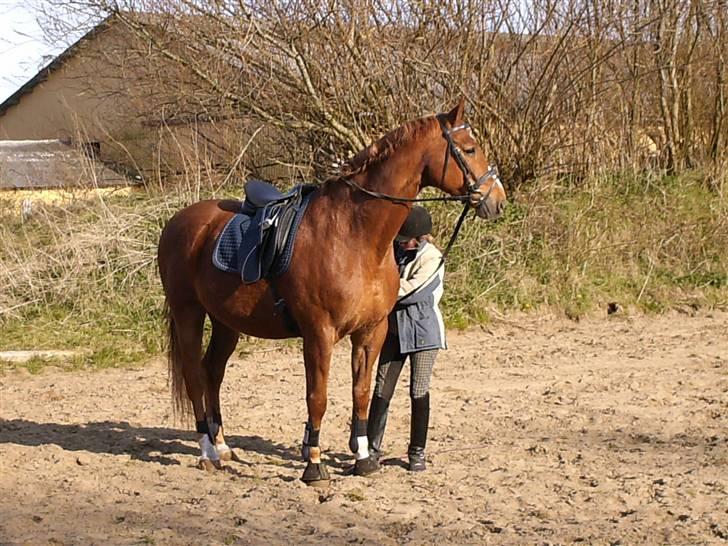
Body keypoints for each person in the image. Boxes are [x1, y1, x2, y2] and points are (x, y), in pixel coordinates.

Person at [367, 205, 446, 472]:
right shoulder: (397, 251)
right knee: (381, 389)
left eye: (405, 239)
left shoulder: (433, 258)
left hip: (423, 334)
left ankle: (417, 452)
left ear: (420, 237)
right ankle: (372, 450)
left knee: (418, 390)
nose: (401, 243)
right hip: (393, 331)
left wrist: (379, 287)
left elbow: (411, 291)